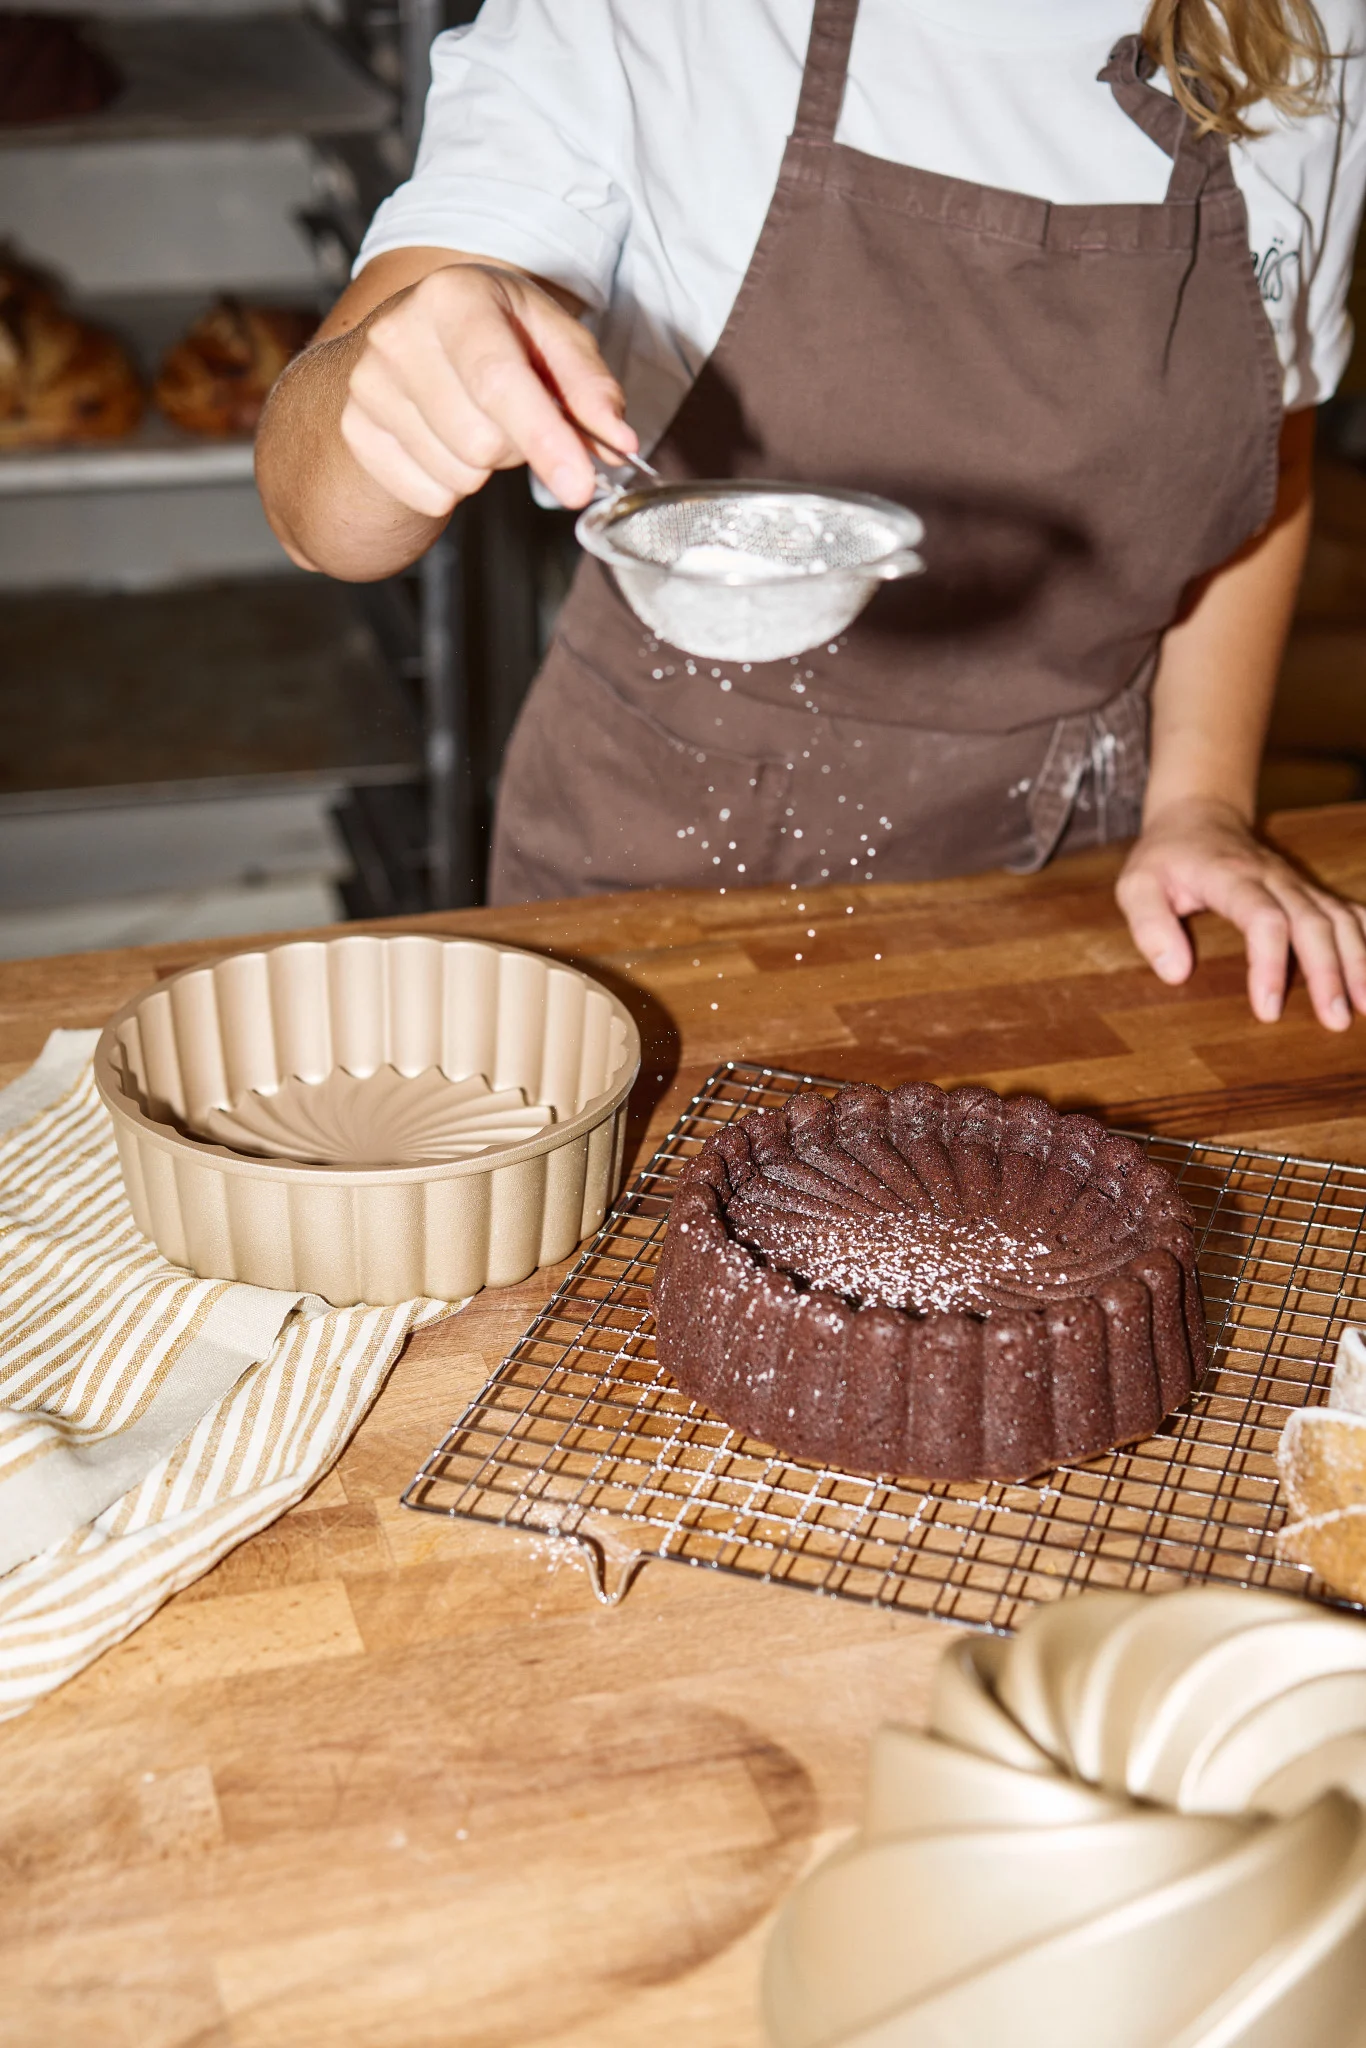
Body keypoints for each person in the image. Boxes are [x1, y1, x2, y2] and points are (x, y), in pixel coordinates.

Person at [257, 0, 1366, 1031]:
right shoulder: (656, 21)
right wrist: (388, 388)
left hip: (1081, 877)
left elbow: (1266, 443)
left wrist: (1202, 800)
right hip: (662, 885)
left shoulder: (1303, 33)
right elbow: (319, 518)